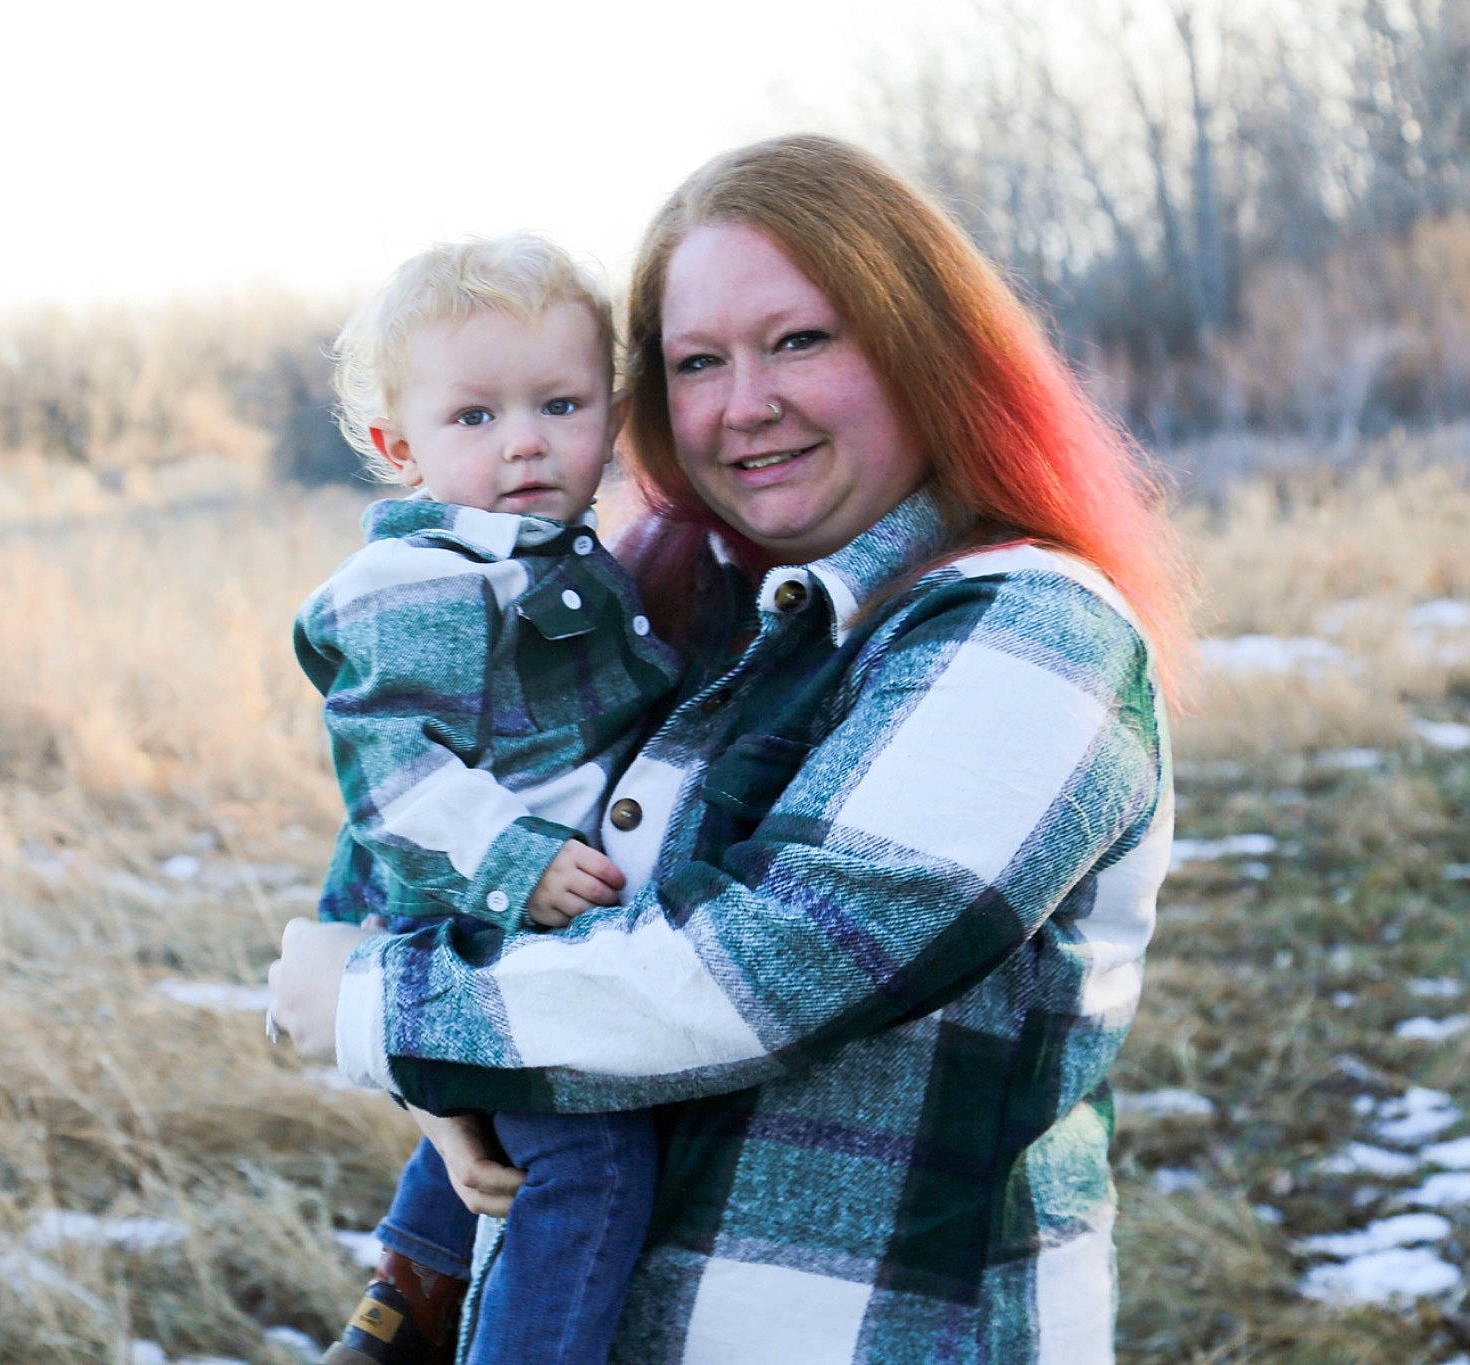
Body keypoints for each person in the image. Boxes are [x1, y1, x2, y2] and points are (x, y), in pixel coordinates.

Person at [269, 132, 1192, 1364]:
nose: (743, 403)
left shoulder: (1029, 632)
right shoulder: (688, 616)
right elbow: (475, 861)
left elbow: (757, 973)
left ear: (923, 345)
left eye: (800, 340)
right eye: (697, 361)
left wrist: (379, 1006)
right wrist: (436, 1072)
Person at [294, 233, 682, 1365]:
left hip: (520, 910)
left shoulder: (555, 553)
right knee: (588, 1161)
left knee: (503, 1141)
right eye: (473, 418)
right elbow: (390, 773)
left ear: (609, 417)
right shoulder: (415, 582)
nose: (523, 441)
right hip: (474, 910)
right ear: (394, 444)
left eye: (558, 404)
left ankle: (407, 1295)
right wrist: (512, 859)